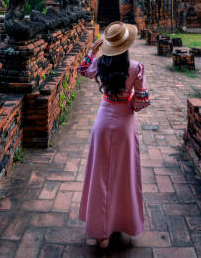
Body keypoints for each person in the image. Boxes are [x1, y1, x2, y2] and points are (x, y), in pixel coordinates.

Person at [77, 21, 151, 248]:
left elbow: (82, 70)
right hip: (124, 122)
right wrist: (128, 102)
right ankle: (120, 222)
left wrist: (92, 51)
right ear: (126, 45)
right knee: (123, 173)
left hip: (103, 118)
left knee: (100, 172)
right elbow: (141, 102)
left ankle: (102, 232)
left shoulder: (101, 64)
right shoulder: (136, 67)